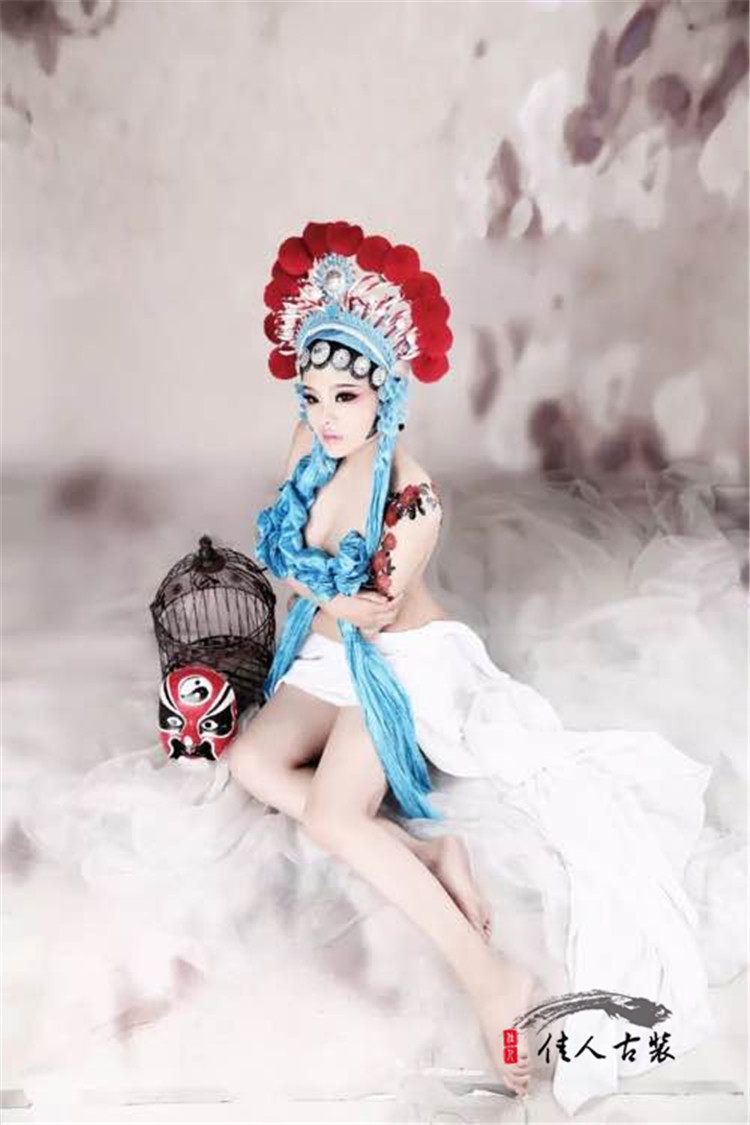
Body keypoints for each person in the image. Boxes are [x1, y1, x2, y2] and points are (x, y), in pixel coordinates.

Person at [225, 220, 718, 1114]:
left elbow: (370, 605)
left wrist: (313, 582)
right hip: (331, 653)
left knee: (334, 815)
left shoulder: (415, 501)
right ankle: (425, 849)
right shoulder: (307, 447)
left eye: (346, 396)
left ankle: (490, 976)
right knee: (249, 760)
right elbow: (291, 562)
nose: (326, 416)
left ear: (386, 393)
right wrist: (312, 583)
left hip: (400, 666)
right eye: (313, 394)